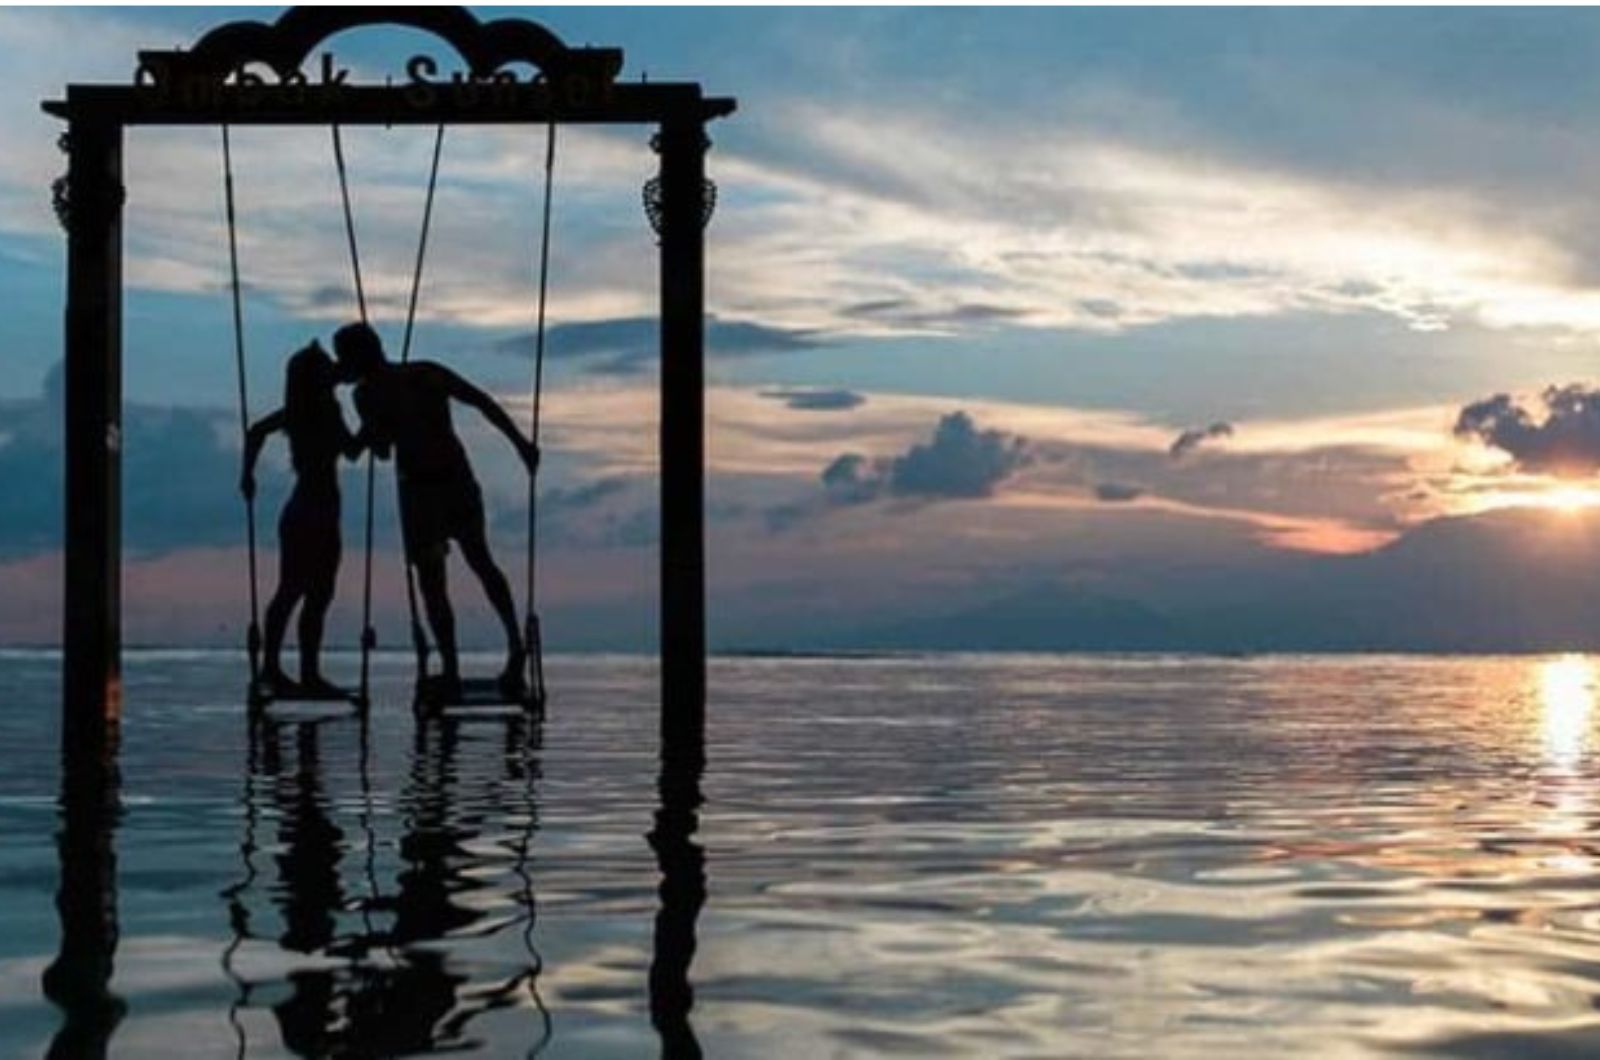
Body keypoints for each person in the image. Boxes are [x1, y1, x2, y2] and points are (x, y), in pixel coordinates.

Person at [333, 321, 537, 699]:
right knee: (464, 569)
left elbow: (476, 402)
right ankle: (481, 656)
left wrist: (520, 444)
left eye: (343, 358)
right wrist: (520, 444)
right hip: (438, 485)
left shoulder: (395, 385)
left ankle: (475, 659)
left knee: (456, 573)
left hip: (433, 488)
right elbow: (379, 447)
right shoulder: (410, 378)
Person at [240, 340, 362, 698]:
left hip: (321, 511)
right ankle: (274, 669)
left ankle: (303, 672)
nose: (331, 370)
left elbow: (351, 451)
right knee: (294, 590)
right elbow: (256, 432)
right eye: (325, 366)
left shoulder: (323, 409)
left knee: (318, 594)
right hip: (310, 510)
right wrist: (247, 474)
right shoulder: (308, 411)